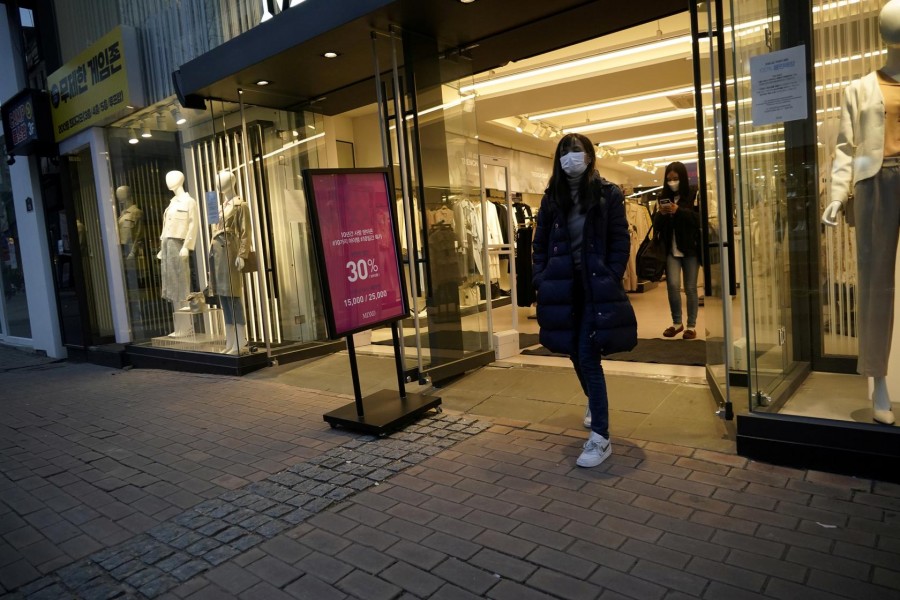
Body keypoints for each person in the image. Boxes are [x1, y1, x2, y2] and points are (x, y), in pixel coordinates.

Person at [822, 0, 900, 426]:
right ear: (884, 36)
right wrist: (837, 194)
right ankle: (880, 383)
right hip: (876, 185)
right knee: (875, 287)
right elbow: (846, 150)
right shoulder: (859, 89)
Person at [532, 133, 631, 468]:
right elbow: (539, 244)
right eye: (564, 151)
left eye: (576, 150)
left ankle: (601, 438)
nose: (570, 156)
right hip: (562, 288)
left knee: (589, 356)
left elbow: (620, 239)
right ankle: (593, 400)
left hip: (594, 287)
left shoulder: (608, 194)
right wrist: (541, 279)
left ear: (589, 155)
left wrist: (611, 273)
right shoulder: (551, 198)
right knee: (573, 352)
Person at [653, 161, 701, 340]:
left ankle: (691, 325)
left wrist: (678, 210)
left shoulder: (693, 194)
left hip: (690, 249)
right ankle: (677, 323)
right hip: (670, 249)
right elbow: (656, 227)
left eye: (675, 178)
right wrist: (661, 214)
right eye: (669, 179)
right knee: (672, 286)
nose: (672, 182)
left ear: (682, 178)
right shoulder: (663, 196)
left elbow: (699, 220)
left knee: (690, 288)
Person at [210, 170, 252, 355]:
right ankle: (230, 341)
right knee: (223, 297)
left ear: (232, 181)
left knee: (234, 296)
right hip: (217, 254)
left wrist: (242, 255)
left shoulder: (240, 205)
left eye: (223, 181)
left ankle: (240, 342)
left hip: (230, 251)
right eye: (217, 181)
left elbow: (245, 232)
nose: (219, 184)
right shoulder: (219, 207)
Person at [157, 170, 199, 336]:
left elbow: (193, 225)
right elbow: (167, 226)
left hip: (179, 244)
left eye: (172, 178)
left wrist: (187, 246)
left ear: (181, 180)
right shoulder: (173, 202)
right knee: (171, 283)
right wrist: (162, 246)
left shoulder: (189, 202)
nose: (169, 181)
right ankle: (179, 327)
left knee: (182, 283)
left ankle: (186, 327)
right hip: (167, 244)